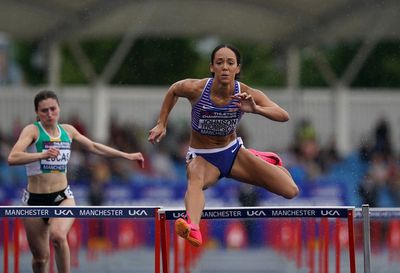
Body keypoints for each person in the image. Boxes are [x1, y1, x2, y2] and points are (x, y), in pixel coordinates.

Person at [148, 44, 299, 247]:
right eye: (219, 63)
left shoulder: (245, 92)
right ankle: (193, 226)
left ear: (237, 68)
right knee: (195, 179)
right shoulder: (197, 89)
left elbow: (284, 115)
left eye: (230, 63)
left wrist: (255, 109)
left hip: (233, 153)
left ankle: (259, 157)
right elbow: (174, 90)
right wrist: (162, 123)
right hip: (203, 156)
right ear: (212, 67)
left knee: (290, 190)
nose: (225, 67)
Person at [8, 90, 144, 273]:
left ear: (59, 109)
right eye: (44, 111)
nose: (49, 114)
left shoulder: (68, 130)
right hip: (34, 200)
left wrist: (126, 155)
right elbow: (13, 157)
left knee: (57, 236)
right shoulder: (32, 131)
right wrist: (42, 154)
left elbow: (94, 146)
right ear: (37, 113)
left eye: (53, 109)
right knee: (40, 260)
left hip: (62, 197)